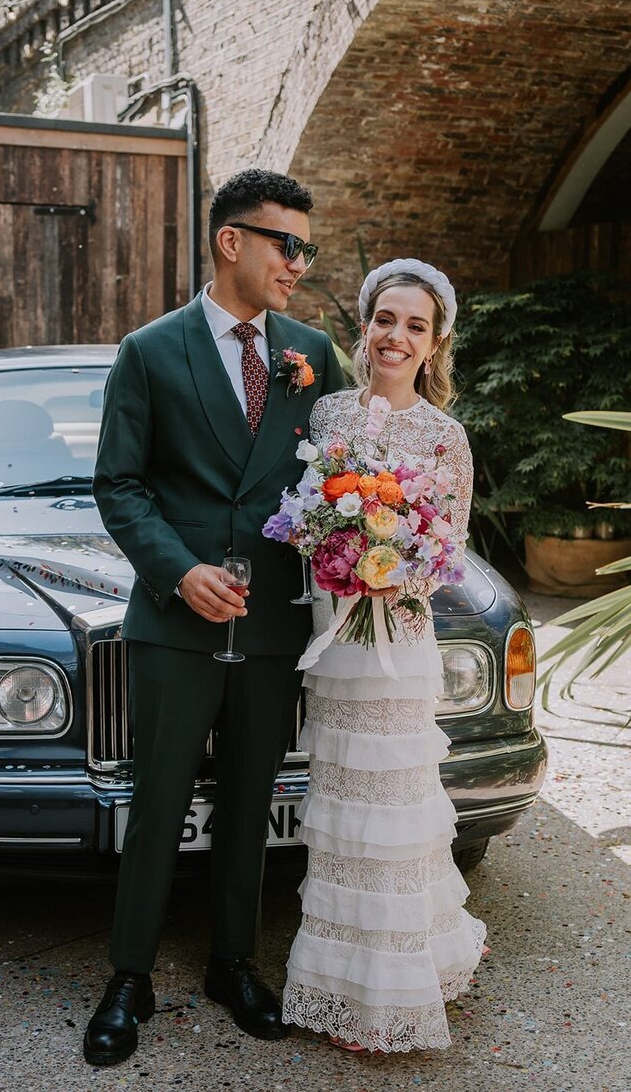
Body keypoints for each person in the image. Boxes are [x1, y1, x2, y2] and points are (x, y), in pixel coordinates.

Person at [87, 168, 346, 1066]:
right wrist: (176, 569)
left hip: (276, 623)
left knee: (249, 799)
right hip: (174, 622)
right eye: (288, 244)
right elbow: (117, 485)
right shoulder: (149, 352)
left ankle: (233, 962)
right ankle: (129, 976)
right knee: (157, 802)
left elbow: (340, 474)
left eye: (306, 248)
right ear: (230, 240)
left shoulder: (314, 351)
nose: (300, 264)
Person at [281, 258, 487, 1053]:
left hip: (398, 643)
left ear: (434, 345)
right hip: (336, 643)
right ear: (364, 327)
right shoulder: (329, 415)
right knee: (344, 814)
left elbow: (451, 549)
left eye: (415, 325)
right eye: (385, 319)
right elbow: (302, 514)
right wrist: (330, 547)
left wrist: (395, 556)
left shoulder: (445, 435)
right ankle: (344, 976)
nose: (397, 336)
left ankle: (394, 987)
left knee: (396, 817)